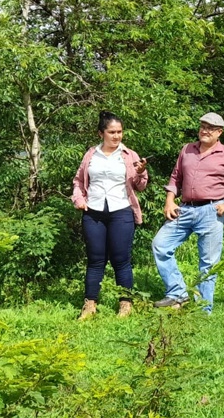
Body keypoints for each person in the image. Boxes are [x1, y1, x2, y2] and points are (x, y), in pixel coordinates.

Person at [152, 112, 224, 313]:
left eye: (210, 128)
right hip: (183, 209)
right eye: (202, 126)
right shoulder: (187, 149)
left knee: (208, 263)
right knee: (160, 245)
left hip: (211, 211)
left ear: (219, 132)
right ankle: (177, 294)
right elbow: (175, 178)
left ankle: (202, 311)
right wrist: (169, 201)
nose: (205, 130)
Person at [72, 111, 148, 319]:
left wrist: (141, 172)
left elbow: (140, 186)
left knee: (121, 260)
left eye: (120, 132)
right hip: (93, 212)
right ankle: (90, 305)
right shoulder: (90, 155)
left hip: (121, 211)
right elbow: (79, 181)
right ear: (101, 133)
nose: (116, 136)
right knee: (95, 260)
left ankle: (125, 304)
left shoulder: (129, 155)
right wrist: (79, 199)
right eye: (112, 132)